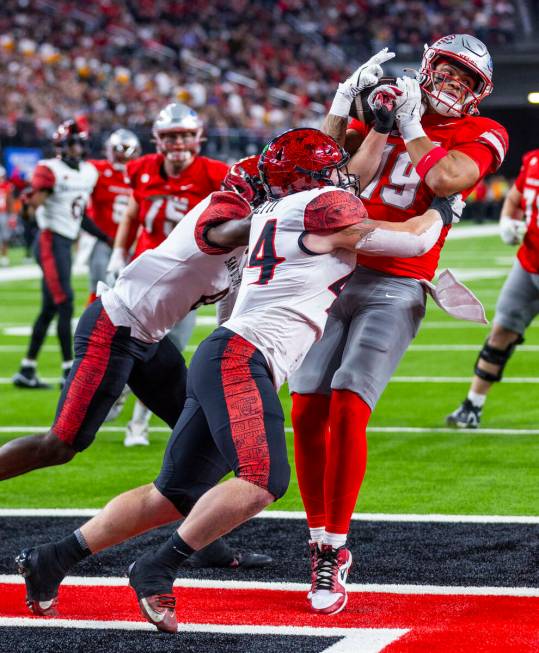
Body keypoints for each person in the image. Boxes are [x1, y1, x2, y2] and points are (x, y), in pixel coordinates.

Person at [16, 126, 463, 633]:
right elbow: (414, 239)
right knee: (263, 479)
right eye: (328, 170)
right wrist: (443, 209)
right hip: (240, 356)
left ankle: (53, 558)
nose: (342, 177)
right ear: (308, 181)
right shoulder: (319, 207)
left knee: (172, 494)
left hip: (229, 353)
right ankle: (157, 567)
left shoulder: (278, 211)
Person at [290, 35, 509, 616]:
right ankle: (317, 538)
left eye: (466, 80)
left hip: (400, 280)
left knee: (348, 400)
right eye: (449, 72)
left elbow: (446, 179)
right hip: (336, 270)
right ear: (430, 65)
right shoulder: (387, 105)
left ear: (479, 92)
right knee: (305, 406)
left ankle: (334, 547)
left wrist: (410, 125)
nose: (453, 85)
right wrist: (347, 107)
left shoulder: (482, 134)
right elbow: (318, 172)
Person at [7, 157, 271, 582]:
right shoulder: (224, 209)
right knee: (61, 445)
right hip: (112, 326)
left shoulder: (250, 237)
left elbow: (229, 307)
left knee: (210, 439)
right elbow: (224, 233)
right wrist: (281, 223)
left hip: (149, 338)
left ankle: (205, 544)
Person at [107, 103, 229, 446]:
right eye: (172, 136)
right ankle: (125, 395)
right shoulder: (142, 169)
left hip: (187, 278)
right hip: (142, 275)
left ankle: (138, 421)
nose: (179, 143)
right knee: (130, 345)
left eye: (186, 135)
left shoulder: (214, 173)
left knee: (168, 350)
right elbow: (132, 213)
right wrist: (118, 252)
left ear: (198, 137)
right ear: (158, 140)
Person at [11, 120, 111, 389]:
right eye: (70, 143)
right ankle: (69, 369)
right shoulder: (49, 170)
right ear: (60, 146)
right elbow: (32, 209)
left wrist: (106, 238)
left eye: (78, 143)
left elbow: (80, 216)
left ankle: (27, 369)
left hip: (65, 241)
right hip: (50, 240)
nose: (75, 148)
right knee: (65, 302)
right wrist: (28, 207)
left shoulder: (89, 172)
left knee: (50, 307)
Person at [446, 149, 539, 428]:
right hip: (529, 262)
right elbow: (514, 196)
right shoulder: (533, 160)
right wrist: (508, 220)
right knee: (500, 333)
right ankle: (471, 406)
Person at [84, 129, 141, 305]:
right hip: (103, 239)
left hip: (132, 241)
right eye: (118, 148)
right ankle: (92, 328)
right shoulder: (97, 170)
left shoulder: (141, 172)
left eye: (125, 148)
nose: (122, 153)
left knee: (132, 292)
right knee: (99, 288)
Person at [0, 165, 15, 267]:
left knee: (5, 236)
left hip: (4, 213)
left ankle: (4, 257)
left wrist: (12, 215)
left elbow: (10, 201)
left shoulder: (7, 186)